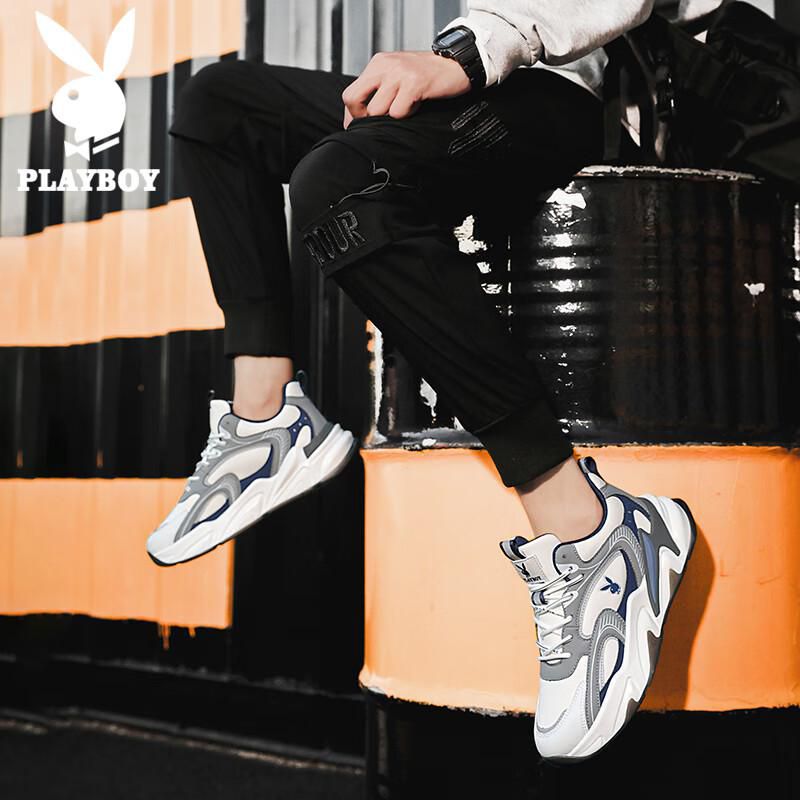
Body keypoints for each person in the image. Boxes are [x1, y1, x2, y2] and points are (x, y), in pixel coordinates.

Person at [147, 0, 720, 761]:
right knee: (217, 106)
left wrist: (463, 54)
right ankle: (268, 421)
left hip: (578, 95)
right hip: (493, 82)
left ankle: (589, 531)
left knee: (339, 184)